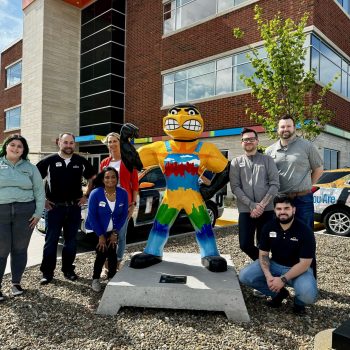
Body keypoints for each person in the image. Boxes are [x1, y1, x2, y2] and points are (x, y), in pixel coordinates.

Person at [239, 194, 318, 315]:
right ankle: (278, 293)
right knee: (245, 276)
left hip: (298, 269)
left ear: (294, 210)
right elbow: (263, 255)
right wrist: (268, 276)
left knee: (309, 295)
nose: (283, 212)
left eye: (286, 208)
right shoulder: (269, 227)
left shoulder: (305, 231)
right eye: (279, 209)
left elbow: (305, 264)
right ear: (275, 210)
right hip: (275, 265)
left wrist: (283, 279)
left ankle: (299, 302)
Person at [36, 132, 96, 285]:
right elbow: (34, 180)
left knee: (71, 241)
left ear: (74, 144)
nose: (68, 146)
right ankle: (47, 273)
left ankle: (68, 270)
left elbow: (93, 177)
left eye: (71, 143)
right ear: (59, 143)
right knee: (51, 241)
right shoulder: (48, 161)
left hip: (74, 208)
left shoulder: (80, 161)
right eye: (65, 142)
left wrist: (86, 195)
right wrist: (42, 199)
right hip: (54, 208)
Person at [0, 134, 45, 301]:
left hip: (25, 212)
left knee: (19, 249)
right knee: (1, 250)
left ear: (24, 150)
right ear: (6, 146)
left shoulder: (30, 168)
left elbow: (39, 192)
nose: (16, 148)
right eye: (13, 145)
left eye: (20, 146)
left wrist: (38, 213)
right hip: (1, 212)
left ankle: (16, 283)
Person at [265, 115, 323, 229]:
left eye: (288, 126)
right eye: (282, 126)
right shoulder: (269, 150)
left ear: (294, 128)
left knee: (305, 232)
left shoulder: (307, 146)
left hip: (303, 199)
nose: (285, 129)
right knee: (281, 233)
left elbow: (318, 169)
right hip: (279, 200)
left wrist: (307, 186)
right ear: (277, 129)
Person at [230, 128, 279, 261]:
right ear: (241, 143)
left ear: (257, 141)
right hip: (246, 210)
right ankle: (264, 265)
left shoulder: (267, 160)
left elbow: (275, 184)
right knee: (245, 244)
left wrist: (261, 205)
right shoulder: (235, 162)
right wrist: (251, 205)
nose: (248, 142)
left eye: (252, 139)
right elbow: (235, 187)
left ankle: (263, 271)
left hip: (267, 210)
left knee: (264, 244)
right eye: (245, 139)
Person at [99, 132, 139, 274]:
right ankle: (106, 264)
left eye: (115, 141)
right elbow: (100, 184)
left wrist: (133, 204)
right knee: (105, 234)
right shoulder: (104, 163)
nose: (112, 144)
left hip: (124, 205)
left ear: (119, 143)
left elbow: (135, 184)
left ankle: (118, 261)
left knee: (121, 235)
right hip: (107, 205)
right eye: (109, 142)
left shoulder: (128, 162)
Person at [85, 167, 128, 292]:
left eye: (113, 177)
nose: (110, 179)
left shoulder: (123, 193)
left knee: (113, 254)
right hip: (96, 230)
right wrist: (101, 235)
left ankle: (111, 278)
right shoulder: (96, 193)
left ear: (117, 179)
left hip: (112, 231)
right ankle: (95, 279)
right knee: (102, 254)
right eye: (107, 177)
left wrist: (115, 232)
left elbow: (123, 214)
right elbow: (92, 216)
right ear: (103, 179)